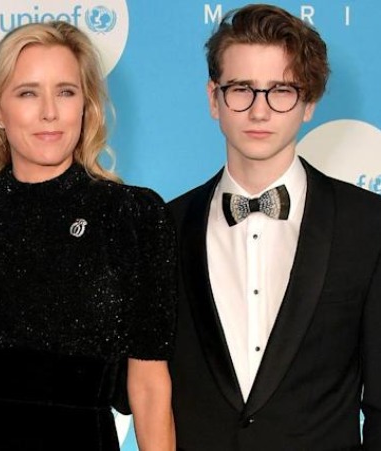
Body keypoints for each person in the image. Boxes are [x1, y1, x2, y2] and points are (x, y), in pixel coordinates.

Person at [0, 21, 177, 451]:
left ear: (86, 105)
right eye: (28, 93)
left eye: (66, 92)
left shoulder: (132, 215)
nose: (50, 112)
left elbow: (149, 386)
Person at [169, 4, 381, 450]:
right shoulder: (165, 226)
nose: (259, 111)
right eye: (241, 89)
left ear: (309, 103)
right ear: (214, 99)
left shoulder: (368, 224)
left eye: (281, 91)